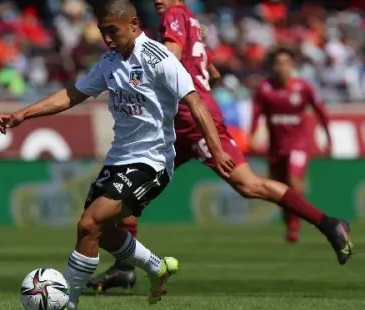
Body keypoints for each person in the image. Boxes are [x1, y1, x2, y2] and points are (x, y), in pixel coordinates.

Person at [87, 0, 353, 292]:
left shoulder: (175, 15)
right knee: (131, 190)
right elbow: (212, 72)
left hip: (191, 122)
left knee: (248, 184)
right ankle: (124, 269)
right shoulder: (190, 19)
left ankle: (329, 223)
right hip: (179, 122)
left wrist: (136, 69)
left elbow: (170, 56)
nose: (157, 1)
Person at [0, 0, 236, 308]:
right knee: (103, 232)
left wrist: (216, 151)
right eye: (102, 32)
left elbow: (196, 103)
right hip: (118, 159)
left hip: (153, 162)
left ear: (134, 25)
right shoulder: (110, 61)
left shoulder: (158, 58)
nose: (107, 39)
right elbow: (72, 94)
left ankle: (67, 301)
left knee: (88, 225)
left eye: (113, 31)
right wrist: (23, 114)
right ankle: (156, 267)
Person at [249, 48, 333, 243]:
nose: (281, 67)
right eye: (278, 63)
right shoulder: (265, 88)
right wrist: (252, 136)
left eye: (285, 63)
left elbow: (321, 111)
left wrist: (328, 138)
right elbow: (256, 114)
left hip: (299, 144)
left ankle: (299, 222)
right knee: (281, 188)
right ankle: (291, 225)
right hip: (276, 147)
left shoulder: (303, 87)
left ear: (292, 65)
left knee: (294, 180)